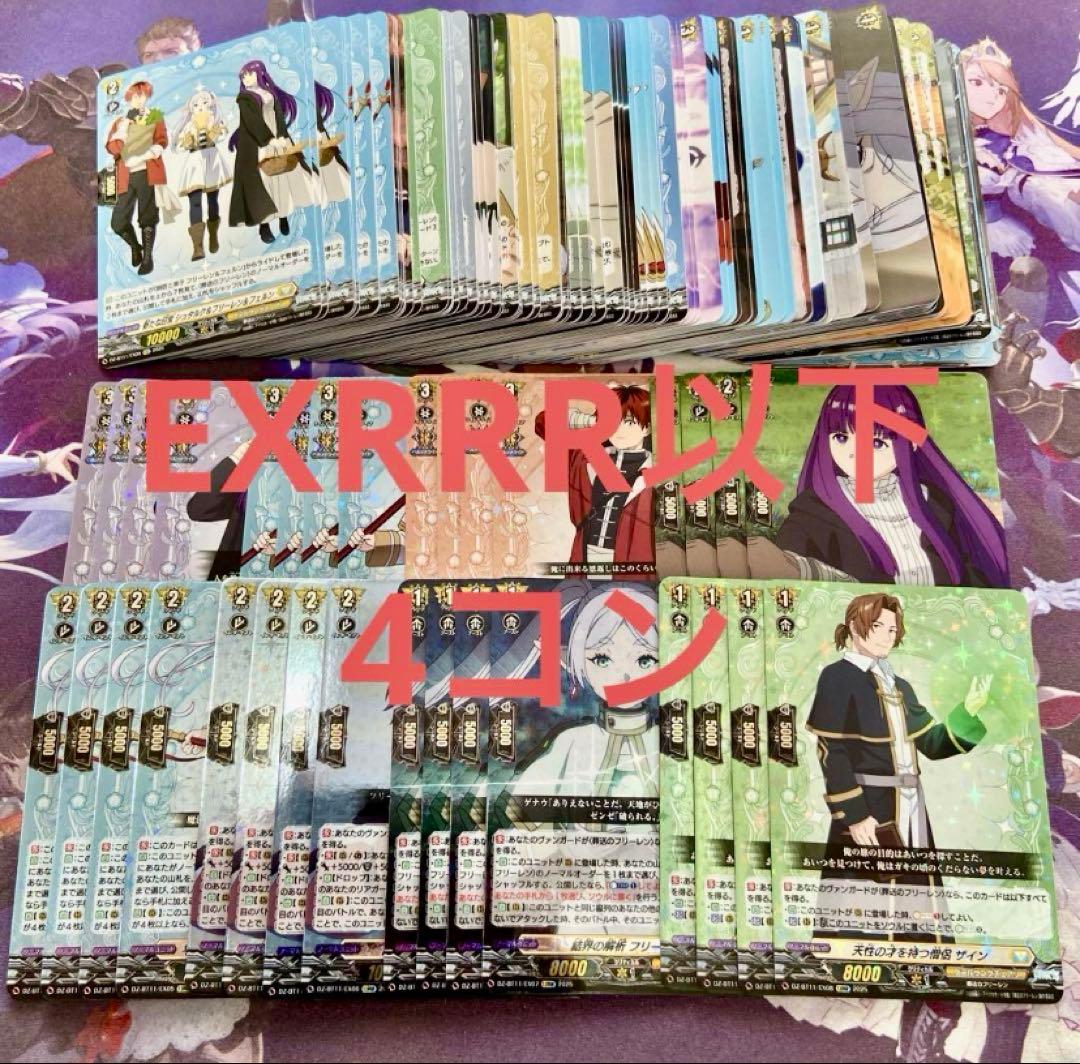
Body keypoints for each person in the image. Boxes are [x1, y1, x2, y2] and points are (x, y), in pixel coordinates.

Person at [749, 384, 1008, 586]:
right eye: (841, 437)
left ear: (912, 442)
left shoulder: (936, 505)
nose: (855, 453)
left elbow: (969, 575)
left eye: (876, 443)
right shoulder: (813, 513)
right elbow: (786, 578)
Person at [961, 37, 1080, 342]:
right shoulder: (948, 136)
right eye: (977, 83)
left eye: (1000, 89)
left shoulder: (1014, 142)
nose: (991, 95)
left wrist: (1066, 192)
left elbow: (1042, 173)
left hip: (1002, 230)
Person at [533, 383, 654, 577]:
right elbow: (544, 422)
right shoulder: (583, 456)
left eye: (629, 422)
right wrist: (594, 420)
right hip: (584, 563)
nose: (619, 430)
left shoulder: (656, 470)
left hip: (631, 569)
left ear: (647, 428)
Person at [228, 60, 314, 245]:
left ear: (260, 73)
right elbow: (252, 122)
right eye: (243, 76)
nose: (246, 78)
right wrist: (268, 139)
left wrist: (282, 136)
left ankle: (283, 216)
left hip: (277, 138)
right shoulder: (244, 98)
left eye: (249, 74)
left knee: (281, 179)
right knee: (263, 184)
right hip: (258, 145)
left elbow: (278, 116)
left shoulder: (270, 93)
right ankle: (264, 225)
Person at [104, 80, 178, 275]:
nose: (138, 99)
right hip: (125, 175)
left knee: (148, 216)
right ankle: (136, 247)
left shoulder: (155, 116)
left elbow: (161, 141)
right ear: (128, 98)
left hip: (148, 172)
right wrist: (123, 128)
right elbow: (112, 148)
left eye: (142, 95)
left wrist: (146, 155)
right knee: (118, 222)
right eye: (134, 95)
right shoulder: (120, 122)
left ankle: (147, 258)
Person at [172, 88, 231, 261]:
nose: (200, 106)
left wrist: (213, 132)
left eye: (204, 102)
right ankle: (197, 246)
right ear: (191, 108)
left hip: (211, 160)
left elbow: (222, 134)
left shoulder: (215, 120)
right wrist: (187, 142)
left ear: (211, 104)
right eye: (196, 104)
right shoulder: (189, 125)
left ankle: (213, 235)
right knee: (195, 202)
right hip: (194, 162)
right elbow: (179, 146)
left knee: (212, 200)